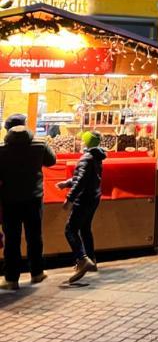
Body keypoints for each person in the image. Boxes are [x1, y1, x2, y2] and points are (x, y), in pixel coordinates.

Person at [0, 114, 56, 291]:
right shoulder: (39, 145)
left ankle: (11, 279)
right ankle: (37, 273)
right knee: (34, 237)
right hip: (34, 199)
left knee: (12, 240)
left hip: (10, 200)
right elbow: (51, 161)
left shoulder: (1, 149)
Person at [56, 131, 106, 283]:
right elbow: (84, 177)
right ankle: (91, 260)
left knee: (70, 230)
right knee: (85, 228)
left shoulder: (86, 158)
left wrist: (69, 199)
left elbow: (81, 181)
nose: (80, 142)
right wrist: (67, 183)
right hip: (94, 197)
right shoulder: (97, 156)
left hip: (84, 199)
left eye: (82, 140)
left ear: (87, 143)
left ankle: (82, 260)